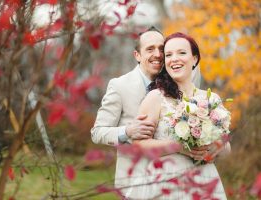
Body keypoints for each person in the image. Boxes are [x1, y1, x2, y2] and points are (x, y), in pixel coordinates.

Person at [91, 27, 202, 198]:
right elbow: (97, 132)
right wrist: (127, 131)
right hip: (135, 180)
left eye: (161, 49)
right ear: (137, 55)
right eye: (150, 49)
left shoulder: (179, 83)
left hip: (176, 182)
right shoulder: (120, 85)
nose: (157, 54)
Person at [130, 32, 231, 199]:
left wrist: (217, 147)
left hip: (204, 181)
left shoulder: (211, 99)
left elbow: (226, 147)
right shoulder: (156, 97)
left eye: (182, 53)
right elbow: (138, 146)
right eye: (168, 55)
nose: (174, 59)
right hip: (166, 183)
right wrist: (180, 147)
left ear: (195, 58)